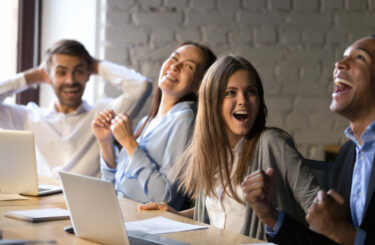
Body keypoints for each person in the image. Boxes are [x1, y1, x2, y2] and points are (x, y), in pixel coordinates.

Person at [139, 55, 320, 240]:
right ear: (212, 102)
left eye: (251, 92)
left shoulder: (272, 142)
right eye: (230, 93)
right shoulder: (210, 152)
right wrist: (176, 215)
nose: (243, 100)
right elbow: (223, 209)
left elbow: (319, 208)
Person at [244, 35, 375, 245]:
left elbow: (340, 235)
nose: (339, 64)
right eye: (342, 58)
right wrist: (269, 214)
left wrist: (343, 233)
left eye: (360, 58)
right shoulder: (347, 155)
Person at [92, 41, 216, 211]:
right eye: (174, 58)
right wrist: (105, 143)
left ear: (199, 85)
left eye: (189, 66)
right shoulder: (146, 122)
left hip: (148, 225)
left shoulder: (184, 119)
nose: (175, 66)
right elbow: (113, 190)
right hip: (122, 216)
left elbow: (164, 198)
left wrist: (129, 142)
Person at [0, 39, 151, 178]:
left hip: (89, 204)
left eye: (78, 71)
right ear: (47, 76)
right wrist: (30, 77)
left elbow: (141, 86)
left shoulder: (104, 115)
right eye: (61, 72)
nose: (71, 80)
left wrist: (97, 65)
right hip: (41, 206)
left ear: (88, 74)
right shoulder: (28, 117)